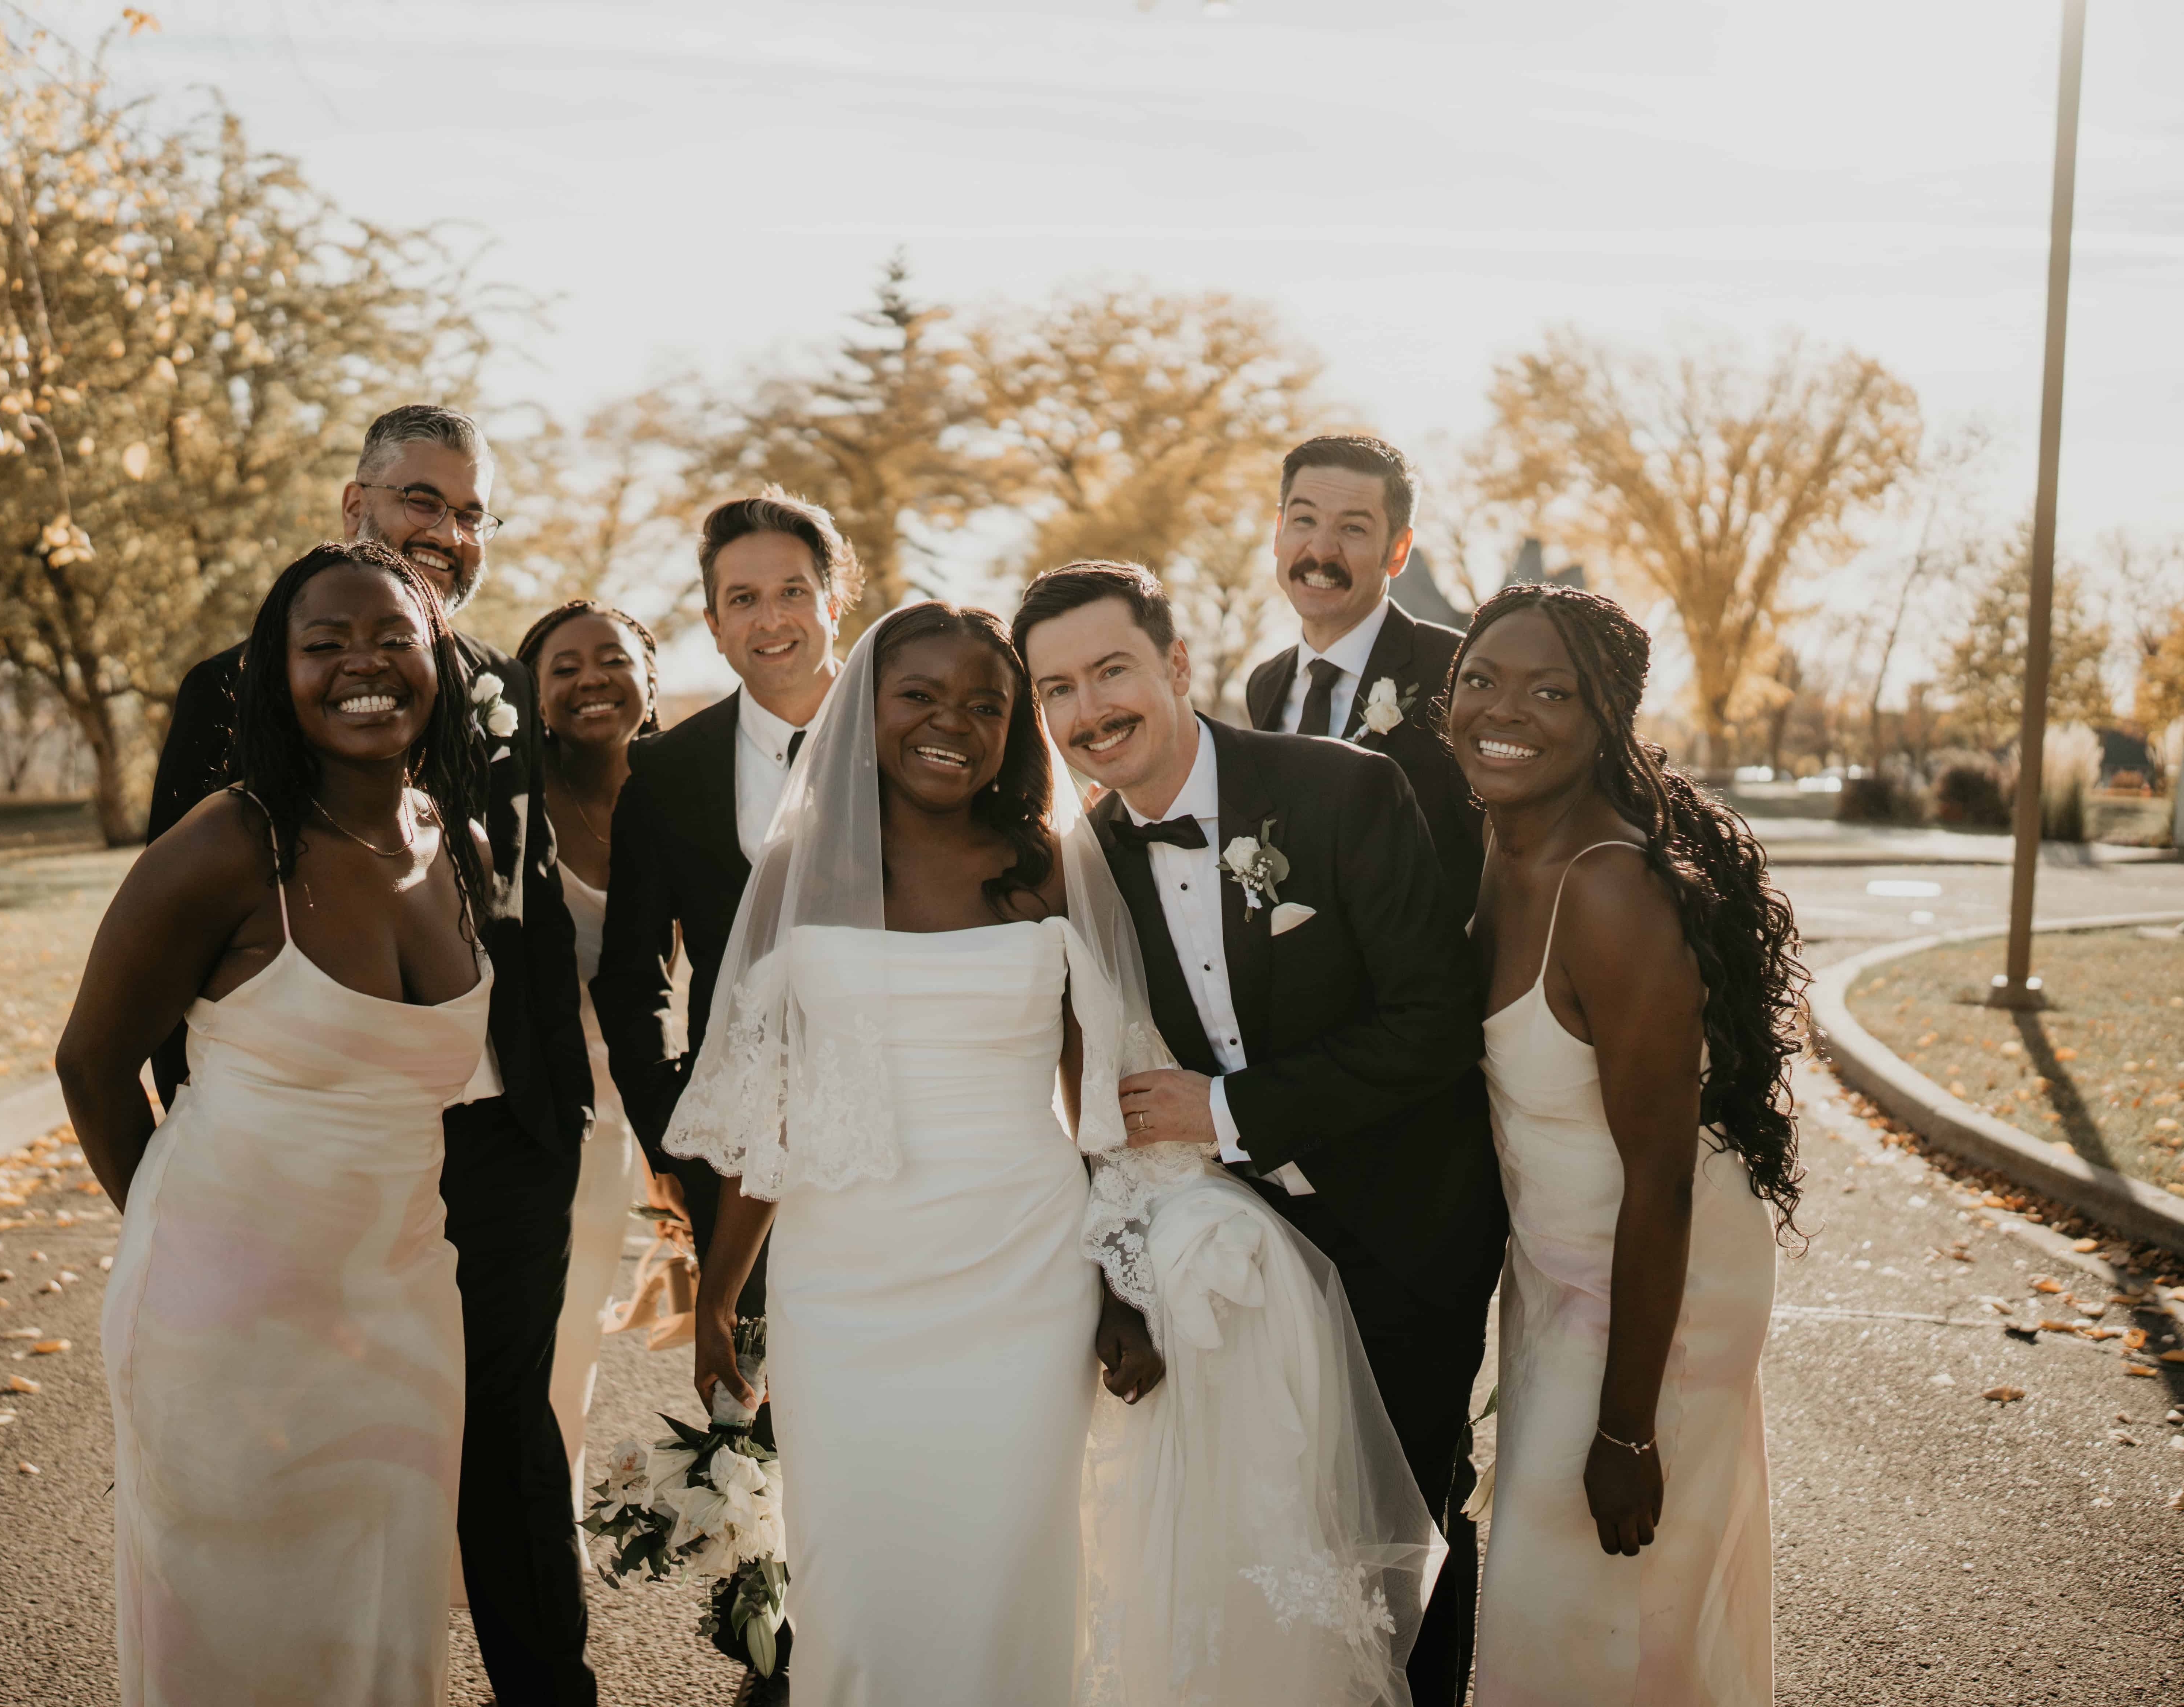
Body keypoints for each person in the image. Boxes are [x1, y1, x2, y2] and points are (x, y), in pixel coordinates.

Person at [671, 601, 1436, 1707]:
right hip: (842, 1289)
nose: (956, 724)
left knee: (1011, 1577)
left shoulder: (1046, 867)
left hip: (1023, 1276)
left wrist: (1120, 1285)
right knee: (857, 1581)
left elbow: (1105, 1107)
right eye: (920, 697)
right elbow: (764, 1115)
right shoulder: (800, 871)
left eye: (988, 704)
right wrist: (716, 1297)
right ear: (864, 709)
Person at [141, 405, 598, 1707]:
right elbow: (185, 956)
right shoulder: (232, 692)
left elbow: (534, 896)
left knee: (509, 1439)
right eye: (420, 502)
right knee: (308, 1441)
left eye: (469, 513)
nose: (445, 533)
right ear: (356, 504)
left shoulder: (506, 684)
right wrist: (203, 1185)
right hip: (310, 1154)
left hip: (498, 1138)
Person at [1015, 560, 1508, 1707]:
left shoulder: (1343, 791)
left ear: (1177, 665)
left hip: (1400, 1233)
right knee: (1280, 1544)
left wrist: (1229, 1111)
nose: (1088, 711)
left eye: (1110, 671)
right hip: (1237, 1259)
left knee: (1407, 1534)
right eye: (1056, 691)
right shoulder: (1085, 865)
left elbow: (1436, 1023)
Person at [61, 540, 498, 1705]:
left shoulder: (458, 843)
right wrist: (185, 1238)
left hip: (404, 1317)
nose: (365, 664)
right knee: (234, 1636)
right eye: (326, 644)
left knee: (381, 1616)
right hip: (224, 1328)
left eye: (394, 638)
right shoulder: (227, 843)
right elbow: (92, 1065)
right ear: (277, 675)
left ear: (438, 662)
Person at [1447, 584, 1796, 1706]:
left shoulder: (1611, 893)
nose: (1506, 710)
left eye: (1553, 691)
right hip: (1559, 1267)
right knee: (1574, 1615)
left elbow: (1666, 1184)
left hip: (1661, 1293)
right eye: (1482, 680)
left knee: (1589, 1606)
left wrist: (1629, 1430)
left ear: (1605, 724)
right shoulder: (1496, 846)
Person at [592, 489, 849, 1309]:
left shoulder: (910, 734)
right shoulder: (666, 772)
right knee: (757, 1399)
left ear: (834, 601)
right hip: (738, 1154)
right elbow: (631, 977)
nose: (770, 618)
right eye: (743, 599)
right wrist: (675, 1134)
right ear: (713, 623)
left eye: (792, 592)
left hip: (910, 1137)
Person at [512, 599, 673, 1504]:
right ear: (534, 696)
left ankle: (545, 1538)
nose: (589, 681)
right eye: (562, 668)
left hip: (624, 1115)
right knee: (496, 1337)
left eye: (610, 659)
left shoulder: (683, 794)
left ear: (649, 677)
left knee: (573, 1338)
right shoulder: (511, 799)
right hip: (515, 1107)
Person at [1242, 435, 1484, 922]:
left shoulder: (1459, 669)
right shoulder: (1264, 685)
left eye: (1353, 528)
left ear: (1397, 551)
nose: (1321, 549)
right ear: (1278, 533)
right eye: (1304, 520)